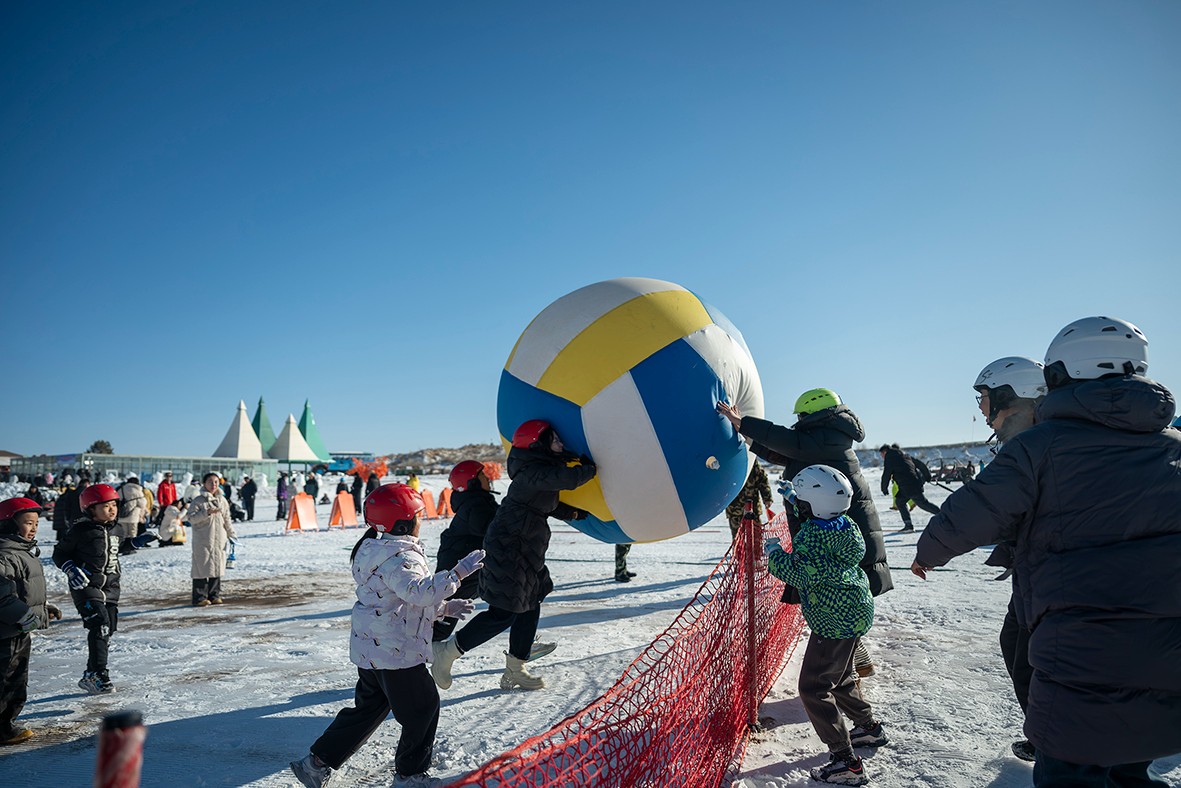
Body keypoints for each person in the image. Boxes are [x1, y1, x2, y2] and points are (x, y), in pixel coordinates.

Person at [912, 316, 1181, 787]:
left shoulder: (1042, 446)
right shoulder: (1173, 447)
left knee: (1071, 763)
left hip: (1079, 634)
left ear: (1061, 373)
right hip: (1166, 634)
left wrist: (929, 551)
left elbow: (975, 509)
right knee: (1131, 752)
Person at [289, 483, 483, 788]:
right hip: (397, 652)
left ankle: (316, 763)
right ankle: (410, 775)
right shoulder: (402, 557)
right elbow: (418, 593)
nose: (421, 521)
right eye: (418, 515)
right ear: (404, 522)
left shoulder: (375, 550)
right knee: (423, 708)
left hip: (374, 649)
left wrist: (443, 608)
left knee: (369, 709)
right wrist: (457, 574)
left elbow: (395, 600)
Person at [717, 388, 892, 677]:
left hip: (834, 534)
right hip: (837, 530)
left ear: (813, 414)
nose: (798, 421)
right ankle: (853, 657)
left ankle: (842, 673)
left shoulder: (823, 438)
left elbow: (786, 441)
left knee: (833, 597)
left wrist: (743, 422)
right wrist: (749, 437)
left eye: (801, 416)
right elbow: (785, 452)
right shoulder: (826, 439)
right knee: (835, 594)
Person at [431, 420, 597, 692]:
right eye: (554, 439)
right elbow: (567, 479)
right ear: (538, 444)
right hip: (508, 550)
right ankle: (446, 652)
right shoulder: (531, 472)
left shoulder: (536, 472)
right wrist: (592, 466)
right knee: (504, 612)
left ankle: (516, 666)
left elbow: (546, 503)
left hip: (526, 548)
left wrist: (574, 513)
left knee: (531, 600)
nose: (560, 442)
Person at [764, 465, 885, 785]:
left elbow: (800, 573)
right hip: (854, 610)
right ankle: (869, 728)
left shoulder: (813, 537)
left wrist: (774, 553)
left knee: (814, 688)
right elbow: (818, 518)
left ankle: (846, 761)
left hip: (833, 620)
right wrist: (795, 499)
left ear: (815, 503)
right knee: (840, 676)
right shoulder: (844, 525)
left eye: (804, 500)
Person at [971, 355, 1047, 762]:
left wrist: (936, 546)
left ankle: (1055, 742)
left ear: (1010, 394)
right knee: (1017, 647)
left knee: (1039, 661)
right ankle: (1044, 734)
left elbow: (984, 509)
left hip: (1056, 577)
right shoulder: (1020, 440)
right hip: (1032, 572)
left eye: (985, 397)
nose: (981, 408)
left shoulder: (1037, 443)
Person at [0, 498, 62, 745]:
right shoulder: (5, 555)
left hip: (18, 629)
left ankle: (6, 723)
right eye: (28, 523)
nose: (34, 528)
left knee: (16, 677)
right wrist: (24, 616)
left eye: (36, 523)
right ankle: (2, 727)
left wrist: (43, 609)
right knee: (7, 679)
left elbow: (24, 591)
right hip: (7, 632)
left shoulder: (21, 552)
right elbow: (2, 596)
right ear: (8, 525)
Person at [52, 483, 124, 694]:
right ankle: (100, 674)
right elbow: (59, 553)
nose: (112, 510)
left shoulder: (117, 529)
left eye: (114, 505)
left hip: (110, 589)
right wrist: (70, 569)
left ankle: (90, 673)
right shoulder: (80, 530)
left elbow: (118, 548)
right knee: (100, 626)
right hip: (86, 587)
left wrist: (137, 542)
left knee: (108, 630)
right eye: (105, 506)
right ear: (91, 509)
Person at [432, 461, 497, 642]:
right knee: (438, 628)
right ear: (472, 482)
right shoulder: (476, 505)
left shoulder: (478, 501)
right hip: (459, 570)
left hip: (464, 569)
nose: (488, 479)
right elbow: (491, 531)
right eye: (482, 476)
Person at [188, 473, 235, 606]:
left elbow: (227, 519)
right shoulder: (198, 501)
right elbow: (191, 518)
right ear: (204, 484)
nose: (213, 485)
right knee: (201, 567)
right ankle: (200, 597)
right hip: (203, 539)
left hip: (219, 538)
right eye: (210, 482)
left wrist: (231, 534)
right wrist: (206, 513)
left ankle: (214, 595)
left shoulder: (222, 500)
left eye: (216, 482)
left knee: (217, 566)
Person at [877, 444, 939, 533]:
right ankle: (908, 525)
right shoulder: (905, 455)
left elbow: (886, 473)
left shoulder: (890, 458)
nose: (882, 457)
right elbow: (921, 465)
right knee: (900, 502)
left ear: (885, 452)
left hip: (908, 485)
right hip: (911, 484)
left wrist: (884, 488)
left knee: (922, 503)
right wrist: (927, 476)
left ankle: (943, 515)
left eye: (882, 455)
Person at [724, 462, 775, 540]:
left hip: (753, 509)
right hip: (734, 509)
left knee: (756, 537)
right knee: (738, 538)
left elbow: (762, 479)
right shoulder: (728, 462)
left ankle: (756, 548)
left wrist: (767, 498)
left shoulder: (751, 462)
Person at [116, 476, 148, 554]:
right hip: (133, 515)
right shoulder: (137, 491)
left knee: (124, 533)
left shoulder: (121, 489)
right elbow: (142, 503)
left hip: (122, 514)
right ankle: (130, 548)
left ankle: (124, 548)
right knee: (132, 532)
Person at [53, 476, 89, 540]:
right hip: (84, 518)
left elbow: (66, 509)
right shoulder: (86, 494)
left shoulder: (71, 494)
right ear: (86, 484)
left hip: (72, 519)